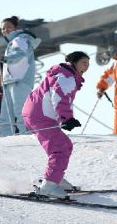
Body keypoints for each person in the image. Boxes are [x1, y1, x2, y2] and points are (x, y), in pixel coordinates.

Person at [22, 51, 89, 198]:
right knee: (60, 148)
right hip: (40, 116)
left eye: (88, 63)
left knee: (64, 145)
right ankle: (49, 185)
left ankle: (55, 178)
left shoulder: (65, 74)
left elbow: (60, 98)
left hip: (37, 114)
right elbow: (59, 97)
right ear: (74, 62)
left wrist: (67, 118)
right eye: (84, 62)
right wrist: (66, 119)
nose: (87, 66)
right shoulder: (67, 77)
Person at [0, 16, 41, 136]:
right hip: (11, 81)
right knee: (6, 115)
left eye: (8, 27)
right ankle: (7, 138)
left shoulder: (20, 39)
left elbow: (19, 54)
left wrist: (4, 58)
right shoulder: (12, 42)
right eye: (3, 28)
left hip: (19, 81)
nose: (5, 30)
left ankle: (27, 135)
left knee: (19, 112)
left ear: (16, 28)